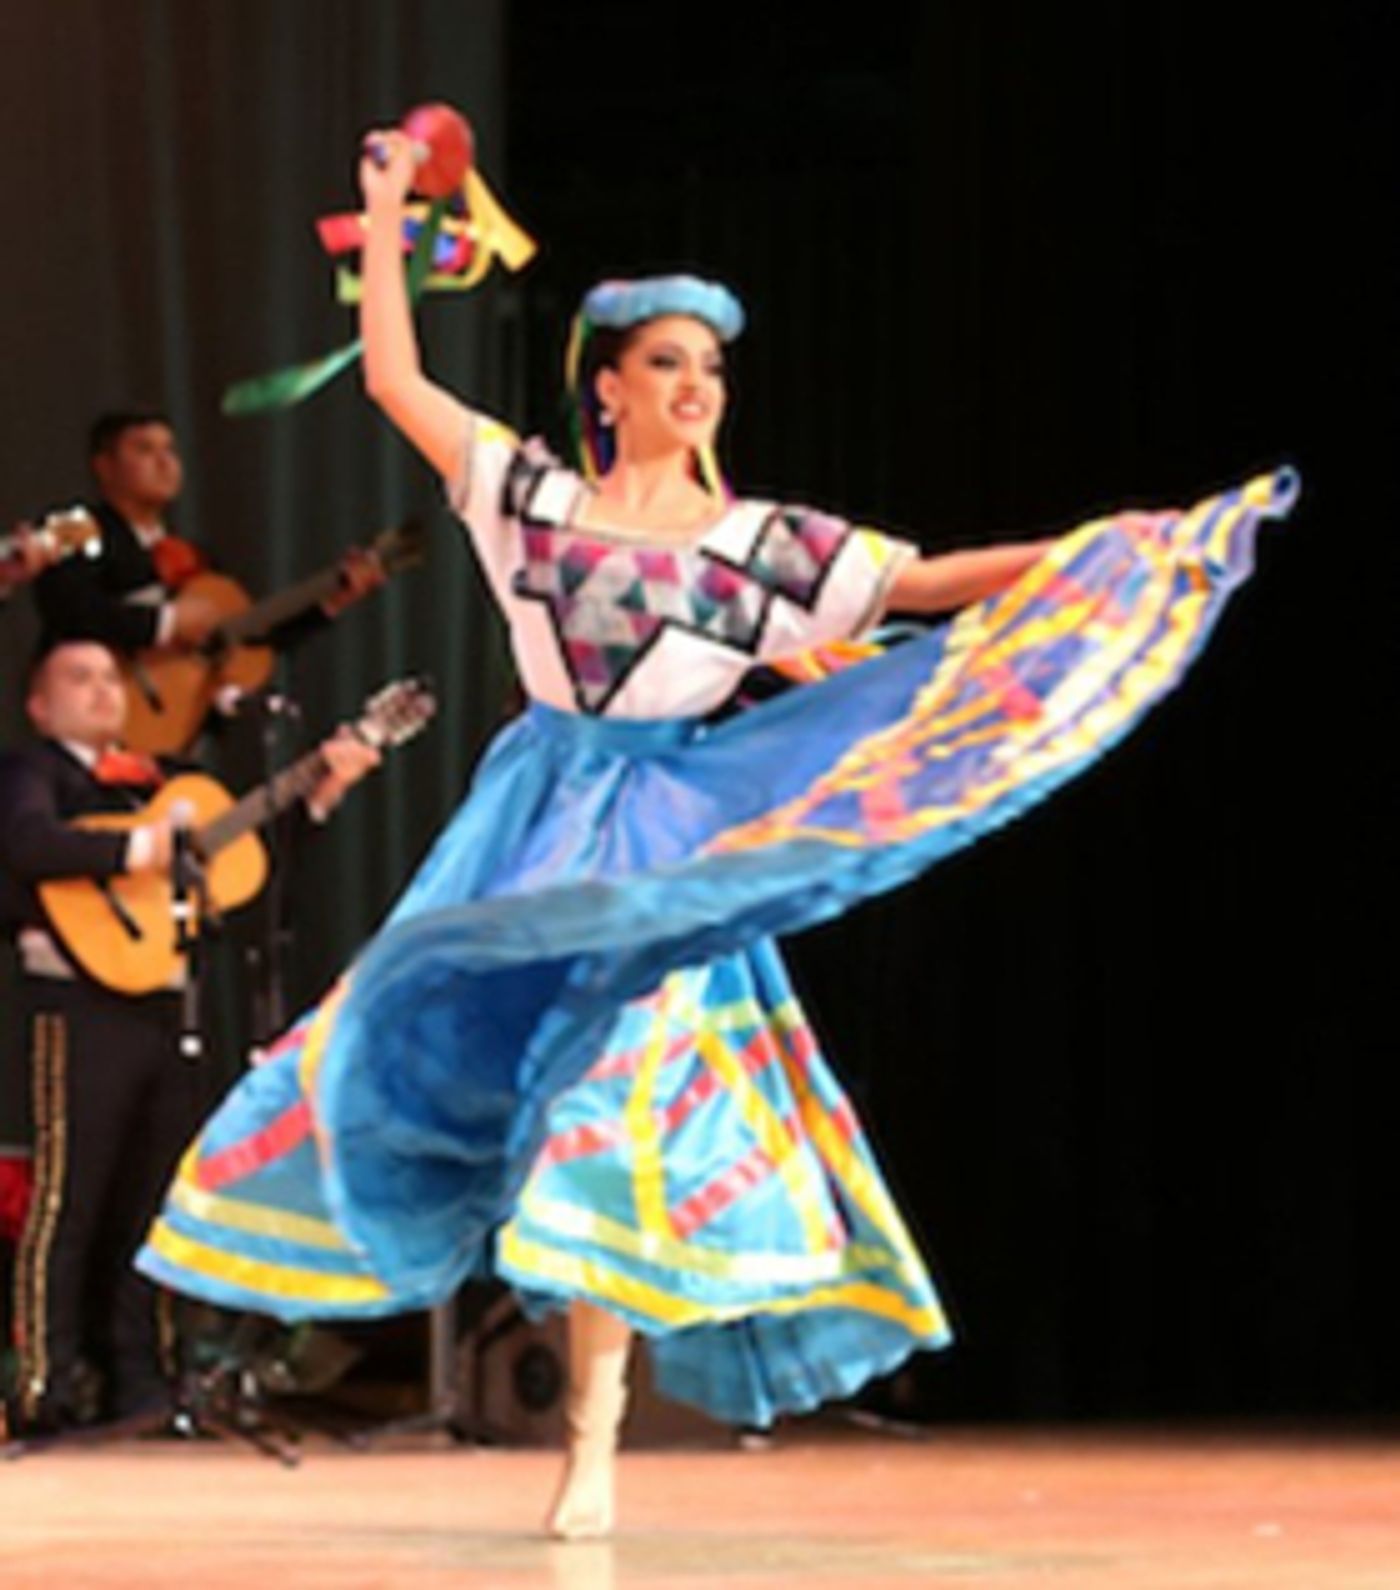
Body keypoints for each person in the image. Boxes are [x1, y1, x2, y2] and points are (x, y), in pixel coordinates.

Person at [138, 131, 1295, 1536]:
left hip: (670, 847)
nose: (697, 387)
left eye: (713, 368)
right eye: (670, 362)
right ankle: (487, 1356)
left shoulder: (761, 549)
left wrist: (1099, 552)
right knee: (455, 1064)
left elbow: (920, 582)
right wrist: (385, 218)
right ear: (609, 384)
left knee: (602, 1118)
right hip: (530, 830)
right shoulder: (528, 502)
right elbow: (393, 376)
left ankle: (595, 1446)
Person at [0, 637, 381, 1432]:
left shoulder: (163, 780)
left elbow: (241, 868)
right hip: (74, 1006)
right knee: (70, 1202)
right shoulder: (31, 773)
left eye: (112, 676)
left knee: (153, 1202)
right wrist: (144, 848)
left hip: (167, 1011)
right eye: (80, 677)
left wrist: (317, 793)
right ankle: (46, 1382)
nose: (104, 689)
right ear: (39, 705)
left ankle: (142, 1382)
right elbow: (26, 844)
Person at [32, 408, 384, 658]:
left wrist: (328, 602)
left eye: (170, 450)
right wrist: (166, 622)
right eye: (144, 449)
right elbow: (67, 605)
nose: (164, 462)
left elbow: (241, 635)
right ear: (105, 466)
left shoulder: (193, 555)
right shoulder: (73, 524)